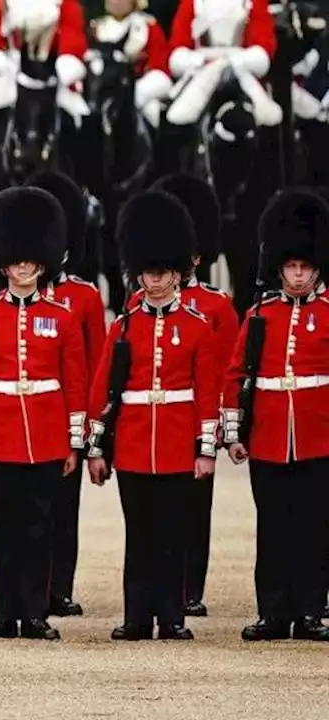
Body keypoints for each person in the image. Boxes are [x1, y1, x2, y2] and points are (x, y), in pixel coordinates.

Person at [0, 186, 84, 641]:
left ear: (42, 264)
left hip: (46, 437)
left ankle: (35, 613)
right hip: (1, 436)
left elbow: (75, 384)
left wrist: (74, 442)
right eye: (16, 262)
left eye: (30, 262)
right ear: (4, 265)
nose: (23, 269)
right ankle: (5, 613)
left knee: (40, 530)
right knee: (2, 531)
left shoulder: (61, 317)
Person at [87, 190, 218, 641]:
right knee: (139, 535)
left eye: (162, 272)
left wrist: (206, 450)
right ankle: (138, 616)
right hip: (135, 444)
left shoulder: (198, 327)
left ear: (178, 272)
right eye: (148, 272)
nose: (155, 280)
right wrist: (97, 448)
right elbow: (104, 391)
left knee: (173, 535)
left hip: (179, 443)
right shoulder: (122, 327)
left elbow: (206, 393)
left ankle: (173, 616)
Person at [128, 173, 236, 618]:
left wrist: (221, 432)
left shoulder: (215, 307)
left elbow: (227, 372)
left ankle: (189, 587)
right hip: (152, 431)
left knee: (195, 513)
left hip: (190, 425)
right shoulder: (137, 307)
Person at [223, 189, 329, 642]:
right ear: (280, 267)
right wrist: (233, 432)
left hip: (318, 438)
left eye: (304, 266)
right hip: (268, 437)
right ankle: (273, 612)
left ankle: (309, 611)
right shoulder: (260, 314)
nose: (298, 273)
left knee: (314, 528)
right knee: (272, 528)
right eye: (291, 266)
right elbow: (235, 375)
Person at [27, 170, 105, 619]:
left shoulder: (85, 297)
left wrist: (91, 431)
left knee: (63, 510)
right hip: (23, 424)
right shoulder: (9, 297)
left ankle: (60, 586)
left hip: (64, 423)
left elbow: (95, 368)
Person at [161, 0, 278, 167]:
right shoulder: (192, 4)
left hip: (241, 70)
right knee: (178, 115)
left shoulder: (254, 3)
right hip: (200, 71)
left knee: (269, 117)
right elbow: (177, 52)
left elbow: (263, 50)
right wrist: (200, 61)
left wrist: (231, 61)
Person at [0, 0, 90, 123]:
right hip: (12, 67)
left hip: (51, 69)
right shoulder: (4, 3)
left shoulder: (65, 4)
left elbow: (72, 38)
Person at [89, 0, 172, 126]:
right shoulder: (95, 28)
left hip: (139, 83)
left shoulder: (148, 26)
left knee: (150, 107)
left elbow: (159, 64)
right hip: (104, 84)